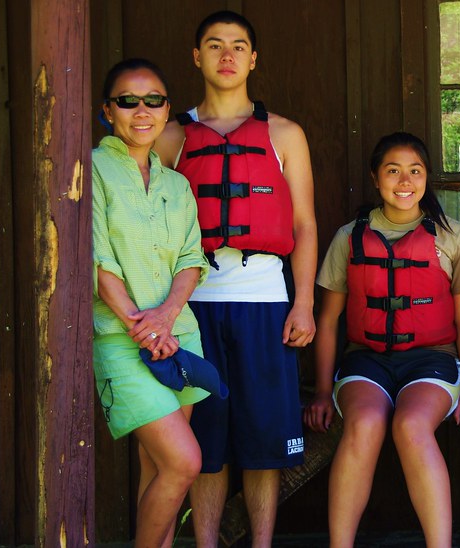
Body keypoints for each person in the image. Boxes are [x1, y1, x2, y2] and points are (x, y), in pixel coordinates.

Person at [154, 10, 317, 547]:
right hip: (192, 302)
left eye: (238, 46)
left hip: (265, 297)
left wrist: (304, 305)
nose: (227, 55)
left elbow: (304, 224)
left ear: (253, 59)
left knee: (265, 439)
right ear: (196, 56)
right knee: (206, 438)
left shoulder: (285, 134)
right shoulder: (172, 136)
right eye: (215, 45)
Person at [304, 132, 460, 548]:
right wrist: (320, 391)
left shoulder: (452, 237)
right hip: (366, 361)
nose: (405, 181)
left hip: (433, 360)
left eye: (415, 171)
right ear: (375, 177)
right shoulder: (349, 238)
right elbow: (328, 320)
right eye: (393, 170)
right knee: (364, 424)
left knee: (412, 424)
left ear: (427, 178)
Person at [92, 58, 210, 548]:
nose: (142, 110)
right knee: (185, 462)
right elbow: (97, 260)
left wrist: (165, 318)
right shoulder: (92, 168)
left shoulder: (176, 184)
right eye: (128, 100)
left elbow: (191, 258)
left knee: (159, 467)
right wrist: (144, 325)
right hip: (123, 340)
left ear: (167, 109)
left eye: (154, 100)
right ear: (107, 110)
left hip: (180, 338)